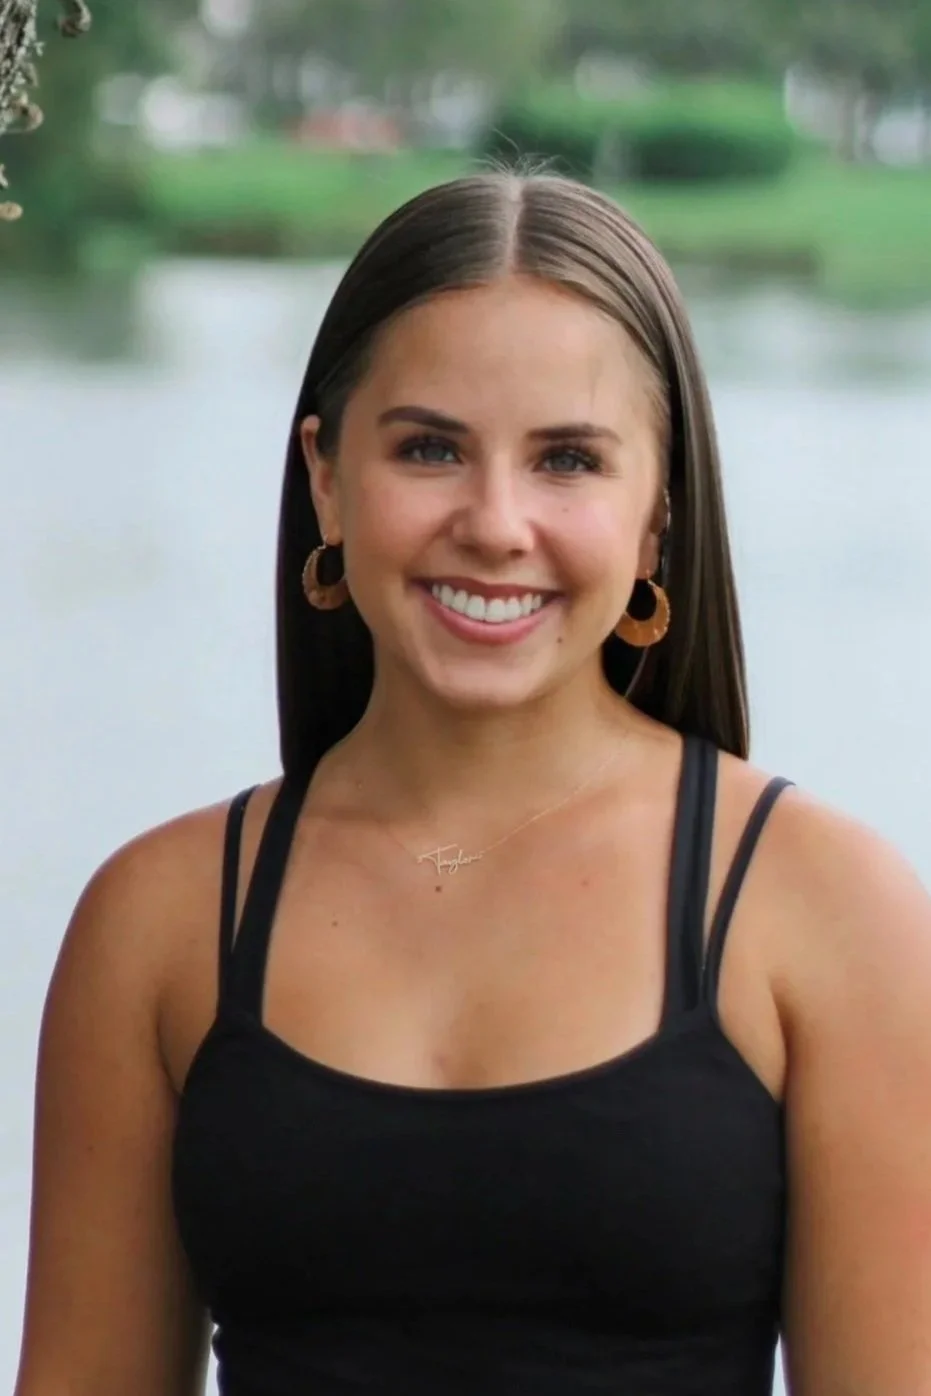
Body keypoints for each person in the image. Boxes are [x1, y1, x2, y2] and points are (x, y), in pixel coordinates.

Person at [13, 171, 931, 1396]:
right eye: (431, 448)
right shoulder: (161, 919)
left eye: (567, 460)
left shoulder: (822, 906)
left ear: (659, 513)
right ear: (328, 477)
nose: (496, 523)